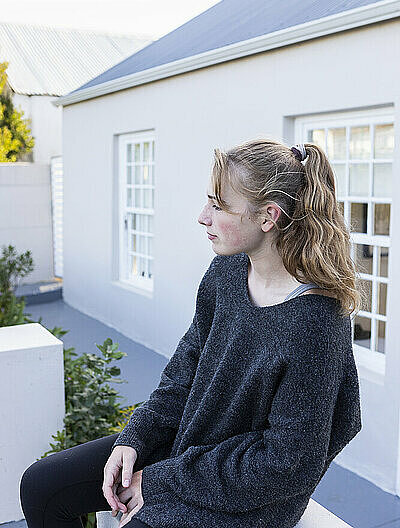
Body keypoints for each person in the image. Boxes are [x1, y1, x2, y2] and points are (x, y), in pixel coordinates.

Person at [20, 138, 363, 528]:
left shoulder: (316, 324)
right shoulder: (228, 272)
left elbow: (285, 464)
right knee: (41, 486)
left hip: (243, 494)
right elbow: (186, 368)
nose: (203, 217)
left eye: (218, 206)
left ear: (268, 217)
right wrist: (135, 437)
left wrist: (160, 481)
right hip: (189, 443)